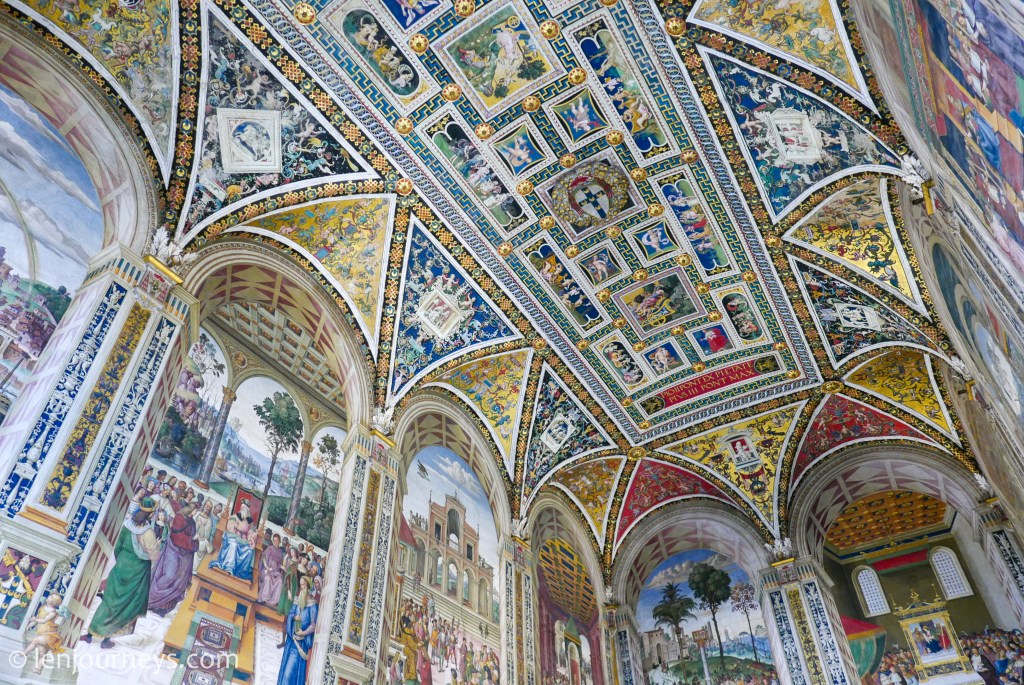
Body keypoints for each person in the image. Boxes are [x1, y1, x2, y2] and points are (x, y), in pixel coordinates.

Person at [83, 498, 162, 648]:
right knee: (126, 606)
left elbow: (118, 548)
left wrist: (122, 562)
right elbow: (154, 556)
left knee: (109, 601)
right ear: (151, 515)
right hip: (138, 572)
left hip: (120, 567)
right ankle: (106, 639)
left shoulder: (126, 526)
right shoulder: (148, 533)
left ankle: (90, 633)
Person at [148, 502, 199, 616]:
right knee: (169, 575)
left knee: (177, 580)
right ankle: (150, 598)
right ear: (190, 509)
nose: (196, 513)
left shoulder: (192, 522)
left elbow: (192, 537)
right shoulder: (179, 518)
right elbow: (177, 537)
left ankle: (161, 607)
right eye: (196, 510)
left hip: (184, 554)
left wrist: (194, 541)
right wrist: (192, 539)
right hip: (173, 550)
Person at [277, 576, 317, 685]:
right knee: (286, 671)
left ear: (308, 586)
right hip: (291, 641)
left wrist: (304, 632)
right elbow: (291, 613)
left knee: (290, 674)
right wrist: (294, 617)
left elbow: (313, 624)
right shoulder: (297, 599)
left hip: (301, 643)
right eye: (301, 585)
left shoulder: (313, 604)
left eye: (303, 585)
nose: (301, 587)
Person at [15, 594, 66, 674]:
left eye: (51, 597)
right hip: (42, 634)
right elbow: (37, 618)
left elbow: (43, 621)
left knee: (35, 640)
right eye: (49, 596)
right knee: (42, 653)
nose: (48, 596)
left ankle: (25, 653)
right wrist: (29, 626)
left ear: (53, 602)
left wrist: (34, 620)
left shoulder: (52, 612)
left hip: (49, 635)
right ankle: (38, 669)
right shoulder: (42, 608)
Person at [208, 498, 256, 580]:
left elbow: (252, 530)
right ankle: (229, 567)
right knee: (233, 545)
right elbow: (230, 528)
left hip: (243, 539)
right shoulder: (235, 516)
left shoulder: (249, 520)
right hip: (233, 536)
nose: (243, 510)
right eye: (242, 508)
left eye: (245, 509)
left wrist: (251, 537)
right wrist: (235, 526)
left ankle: (242, 570)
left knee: (249, 550)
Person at [258, 533, 285, 606]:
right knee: (268, 578)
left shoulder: (280, 552)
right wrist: (266, 566)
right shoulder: (270, 548)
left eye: (277, 540)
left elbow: (279, 564)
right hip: (267, 570)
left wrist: (283, 567)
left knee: (280, 580)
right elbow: (263, 557)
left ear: (279, 541)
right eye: (274, 540)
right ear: (273, 541)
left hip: (275, 572)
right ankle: (264, 598)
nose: (276, 542)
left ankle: (273, 601)